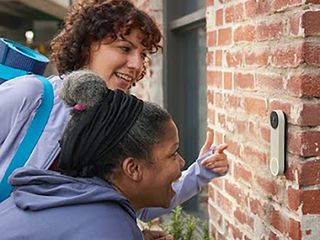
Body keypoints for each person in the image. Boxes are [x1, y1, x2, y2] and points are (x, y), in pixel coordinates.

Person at [0, 0, 228, 230]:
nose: (137, 64)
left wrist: (200, 172)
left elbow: (141, 201)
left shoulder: (117, 125)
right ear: (88, 44)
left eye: (143, 54)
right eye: (125, 49)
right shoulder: (33, 94)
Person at [0, 70, 184, 239]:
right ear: (133, 168)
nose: (182, 162)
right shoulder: (108, 226)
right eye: (173, 153)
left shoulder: (62, 199)